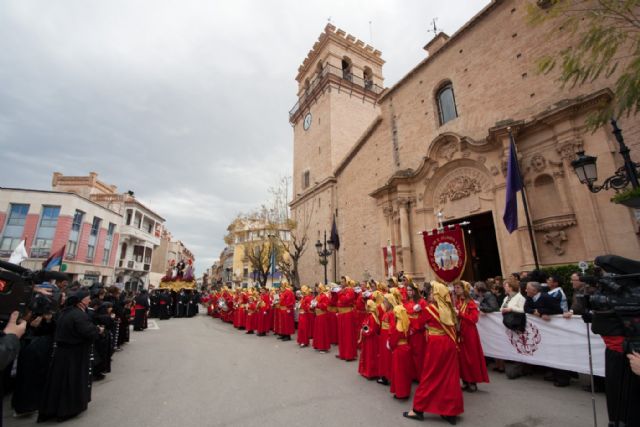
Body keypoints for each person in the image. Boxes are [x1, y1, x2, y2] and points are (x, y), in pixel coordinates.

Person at [38, 288, 102, 422]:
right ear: (80, 301)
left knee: (58, 381)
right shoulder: (79, 315)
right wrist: (98, 330)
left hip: (62, 352)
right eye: (87, 298)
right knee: (71, 379)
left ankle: (52, 408)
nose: (90, 300)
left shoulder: (64, 312)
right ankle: (67, 409)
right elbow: (89, 332)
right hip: (74, 353)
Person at [404, 281, 462, 425]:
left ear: (436, 295)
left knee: (430, 375)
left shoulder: (430, 310)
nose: (429, 295)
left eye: (431, 292)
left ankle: (418, 409)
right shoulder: (449, 309)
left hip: (436, 344)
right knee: (449, 376)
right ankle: (450, 412)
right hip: (449, 343)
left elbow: (418, 325)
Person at [453, 280, 489, 392]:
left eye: (458, 287)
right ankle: (465, 380)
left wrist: (460, 314)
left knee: (471, 357)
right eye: (455, 287)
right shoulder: (457, 301)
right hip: (460, 332)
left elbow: (474, 319)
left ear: (464, 289)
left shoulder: (471, 302)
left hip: (469, 333)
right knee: (462, 357)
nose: (456, 289)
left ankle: (473, 381)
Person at [336, 277, 358, 361]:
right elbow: (337, 301)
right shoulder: (342, 290)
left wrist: (339, 293)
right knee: (341, 334)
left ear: (347, 282)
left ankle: (349, 354)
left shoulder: (350, 290)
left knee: (348, 335)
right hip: (342, 314)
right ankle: (342, 353)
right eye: (341, 282)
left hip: (347, 314)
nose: (341, 283)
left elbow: (345, 300)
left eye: (342, 282)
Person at [358, 300, 380, 379]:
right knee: (368, 354)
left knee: (370, 355)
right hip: (369, 339)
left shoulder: (371, 317)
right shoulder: (370, 316)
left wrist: (364, 330)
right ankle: (367, 371)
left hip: (370, 340)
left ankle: (370, 372)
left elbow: (371, 329)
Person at [312, 284, 331, 352]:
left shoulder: (324, 296)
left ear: (320, 288)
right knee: (318, 331)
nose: (316, 289)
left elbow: (325, 306)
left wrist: (317, 304)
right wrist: (313, 305)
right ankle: (318, 345)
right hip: (318, 315)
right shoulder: (318, 296)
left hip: (322, 315)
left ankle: (323, 347)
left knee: (322, 331)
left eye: (317, 288)